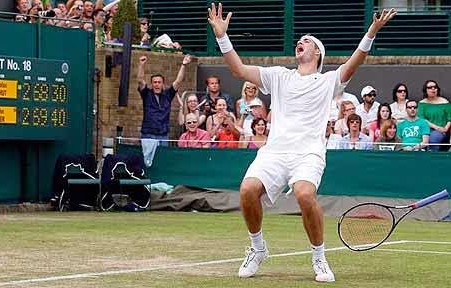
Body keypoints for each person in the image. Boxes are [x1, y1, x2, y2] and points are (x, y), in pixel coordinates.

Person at [207, 2, 396, 282]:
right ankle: (258, 249)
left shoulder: (329, 80)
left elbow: (354, 63)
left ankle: (319, 257)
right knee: (247, 190)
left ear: (317, 52)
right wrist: (221, 35)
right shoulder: (279, 76)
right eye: (299, 40)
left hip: (308, 152)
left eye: (307, 41)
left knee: (305, 194)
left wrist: (372, 31)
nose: (300, 42)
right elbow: (238, 70)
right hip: (276, 151)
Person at [137, 54, 192, 145]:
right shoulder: (146, 94)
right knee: (148, 158)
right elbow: (140, 80)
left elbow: (178, 81)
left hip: (163, 134)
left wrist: (184, 65)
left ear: (163, 84)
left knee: (162, 157)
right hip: (148, 133)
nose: (157, 84)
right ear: (152, 84)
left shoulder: (168, 94)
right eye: (155, 82)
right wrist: (141, 65)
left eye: (159, 82)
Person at [418, 80, 451, 151]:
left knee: (433, 138)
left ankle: (432, 158)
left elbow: (450, 118)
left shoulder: (445, 102)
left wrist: (445, 129)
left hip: (441, 130)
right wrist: (436, 127)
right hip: (425, 129)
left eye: (435, 87)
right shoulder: (422, 103)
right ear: (425, 90)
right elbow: (422, 119)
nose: (433, 89)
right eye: (430, 87)